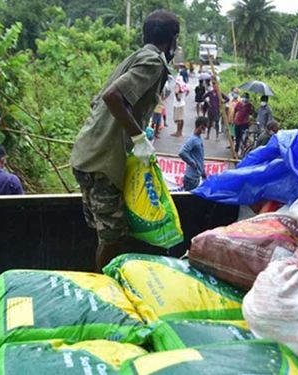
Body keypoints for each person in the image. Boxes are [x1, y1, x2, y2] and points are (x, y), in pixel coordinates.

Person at [70, 10, 180, 270]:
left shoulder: (135, 57)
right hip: (103, 162)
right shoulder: (153, 61)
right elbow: (112, 97)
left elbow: (98, 99)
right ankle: (104, 292)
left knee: (103, 232)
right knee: (113, 236)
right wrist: (139, 138)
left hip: (87, 153)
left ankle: (101, 282)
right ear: (173, 39)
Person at [178, 116, 208, 191]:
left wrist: (203, 172)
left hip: (195, 177)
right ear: (200, 126)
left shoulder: (198, 139)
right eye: (204, 127)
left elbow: (199, 157)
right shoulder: (193, 139)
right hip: (191, 179)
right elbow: (182, 152)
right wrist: (192, 163)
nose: (205, 130)